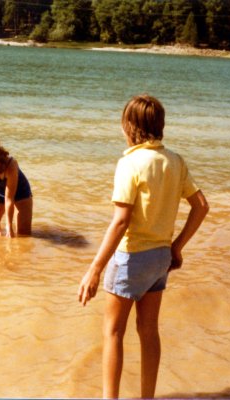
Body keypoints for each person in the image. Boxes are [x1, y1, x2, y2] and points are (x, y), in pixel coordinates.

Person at [78, 95, 209, 399]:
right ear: (160, 126)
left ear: (129, 126)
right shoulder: (175, 161)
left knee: (112, 332)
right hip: (160, 258)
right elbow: (201, 206)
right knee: (148, 332)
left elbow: (121, 221)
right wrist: (177, 247)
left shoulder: (130, 163)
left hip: (130, 257)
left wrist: (94, 269)